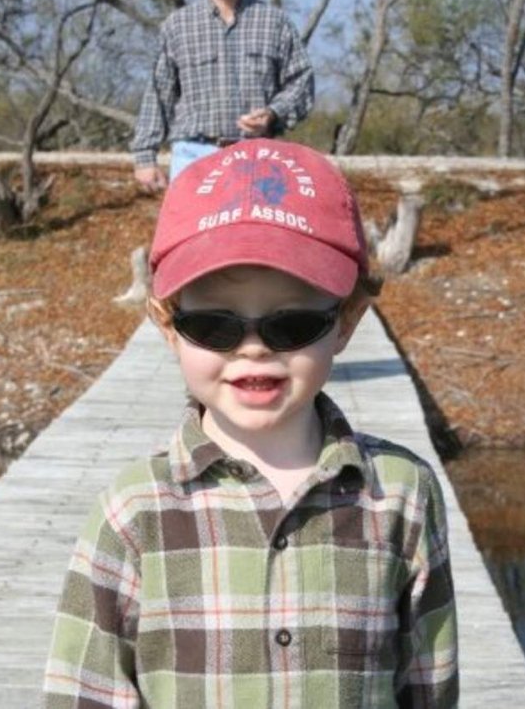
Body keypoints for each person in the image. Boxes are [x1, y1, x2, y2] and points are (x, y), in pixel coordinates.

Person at [44, 139, 459, 708]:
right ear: (167, 326)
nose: (253, 348)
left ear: (346, 322)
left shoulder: (403, 496)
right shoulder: (132, 512)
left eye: (293, 324)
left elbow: (429, 687)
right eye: (213, 326)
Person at [131, 0, 315, 191]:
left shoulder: (275, 22)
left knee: (258, 214)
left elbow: (302, 81)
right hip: (193, 158)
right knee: (192, 214)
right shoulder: (178, 25)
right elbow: (159, 94)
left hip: (259, 157)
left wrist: (273, 113)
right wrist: (145, 157)